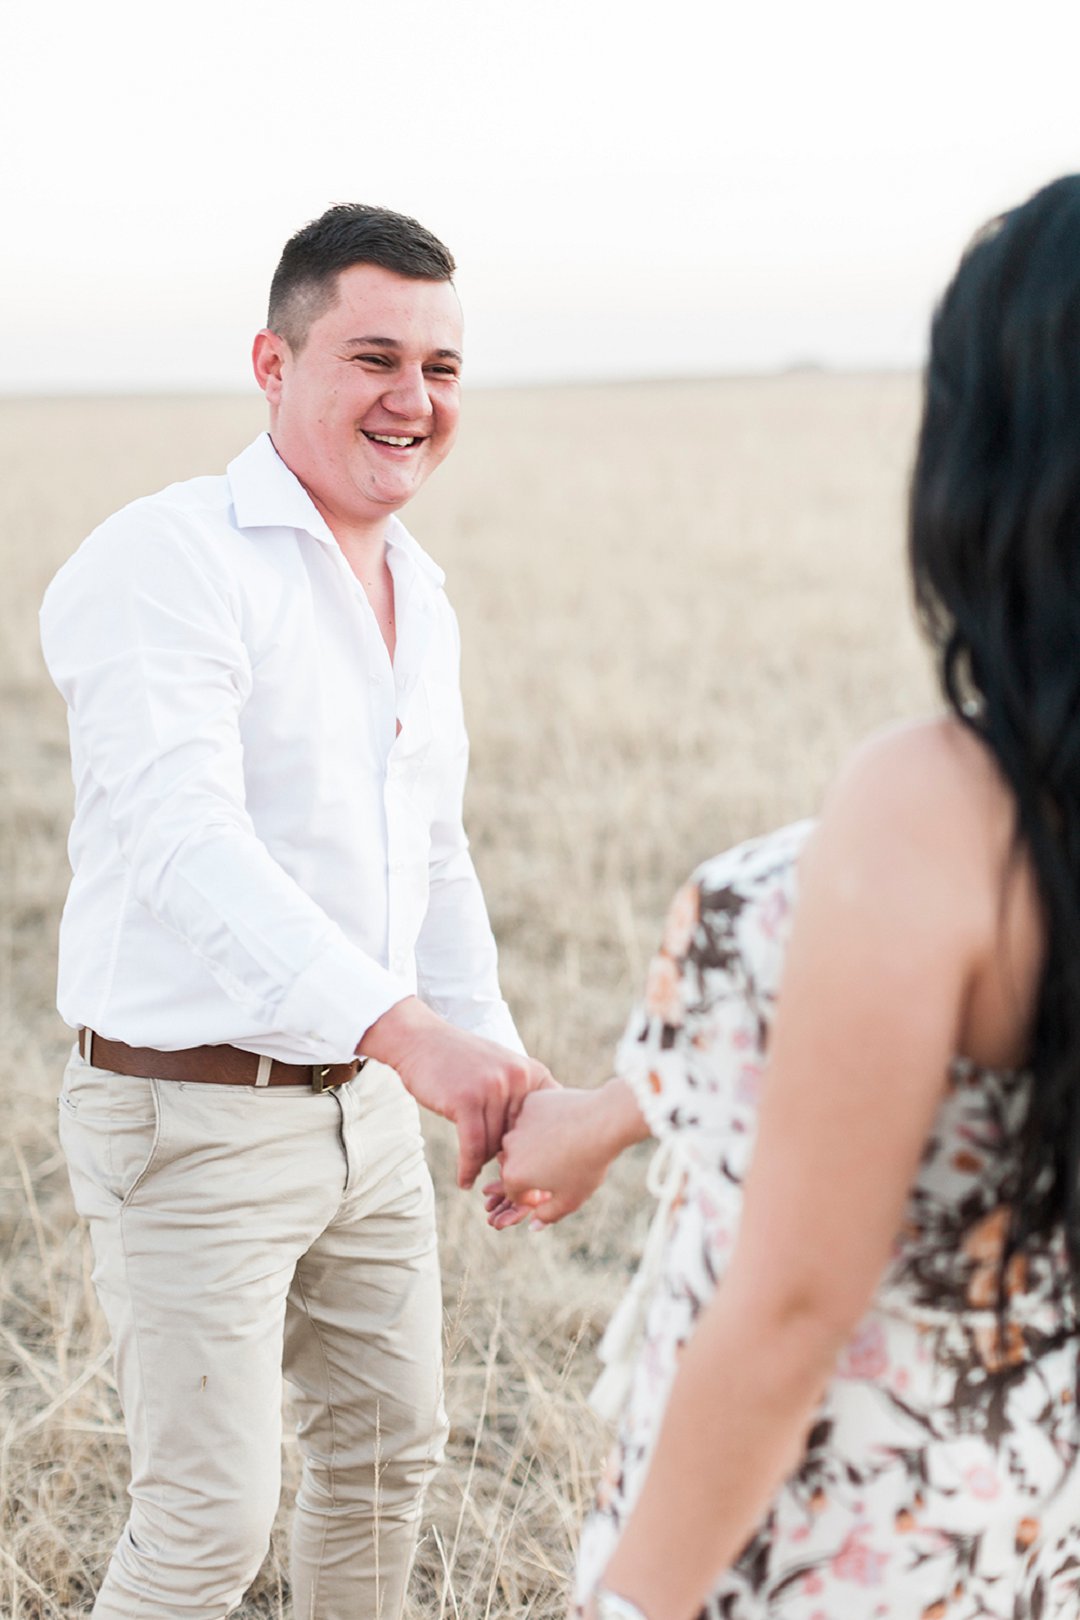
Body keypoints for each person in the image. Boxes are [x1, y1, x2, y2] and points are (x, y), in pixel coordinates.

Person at [489, 176, 1080, 1620]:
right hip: (1022, 1534)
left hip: (837, 1542)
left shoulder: (944, 803)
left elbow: (796, 1312)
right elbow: (859, 1065)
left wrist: (628, 1609)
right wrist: (602, 1117)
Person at [40, 203, 554, 1620]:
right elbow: (182, 846)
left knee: (389, 1463)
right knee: (207, 1527)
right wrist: (410, 1034)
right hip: (190, 1115)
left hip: (371, 1118)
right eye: (374, 355)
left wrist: (497, 1071)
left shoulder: (419, 594)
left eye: (442, 368)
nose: (414, 399)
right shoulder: (166, 560)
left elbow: (429, 854)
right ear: (273, 362)